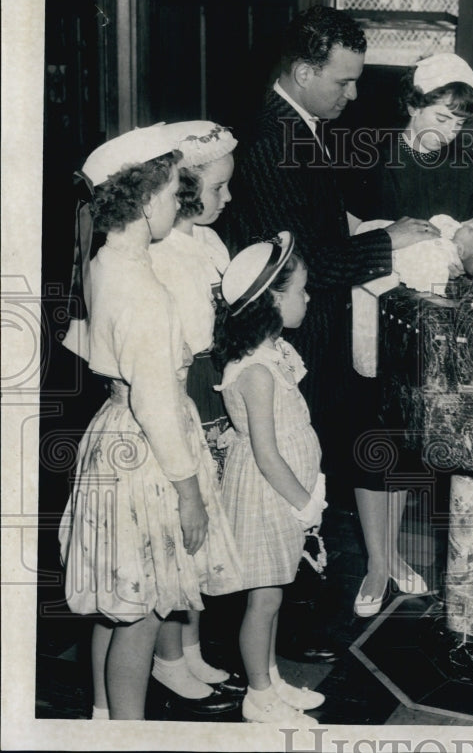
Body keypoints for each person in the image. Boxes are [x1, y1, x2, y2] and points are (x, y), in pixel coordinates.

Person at [219, 6, 436, 659]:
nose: (353, 93)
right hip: (289, 345)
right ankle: (286, 627)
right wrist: (389, 241)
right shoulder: (270, 140)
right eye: (342, 82)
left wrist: (361, 227)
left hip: (313, 334)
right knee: (288, 481)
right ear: (304, 70)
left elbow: (312, 220)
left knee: (315, 470)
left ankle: (302, 607)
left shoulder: (302, 125)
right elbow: (307, 260)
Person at [57, 125, 243, 720]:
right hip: (149, 451)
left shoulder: (110, 260)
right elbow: (158, 403)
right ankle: (132, 731)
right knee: (145, 610)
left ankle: (104, 719)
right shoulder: (143, 287)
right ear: (141, 201)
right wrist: (189, 491)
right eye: (171, 196)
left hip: (114, 436)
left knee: (120, 603)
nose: (178, 206)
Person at [344, 52, 473, 616]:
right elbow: (346, 231)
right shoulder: (374, 154)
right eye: (440, 115)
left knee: (407, 433)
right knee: (370, 433)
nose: (450, 129)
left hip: (427, 312)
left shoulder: (463, 160)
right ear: (411, 104)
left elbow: (471, 240)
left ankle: (396, 556)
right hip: (374, 306)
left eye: (459, 120)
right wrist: (392, 236)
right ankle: (376, 564)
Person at [146, 120, 245, 712]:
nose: (227, 199)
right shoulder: (162, 254)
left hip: (214, 389)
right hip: (185, 395)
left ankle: (192, 646)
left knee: (207, 526)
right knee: (180, 528)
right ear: (183, 191)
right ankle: (166, 657)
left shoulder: (210, 244)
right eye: (217, 189)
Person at [213, 232, 326, 724]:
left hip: (282, 492)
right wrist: (305, 502)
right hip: (268, 493)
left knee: (276, 591)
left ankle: (272, 680)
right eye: (300, 290)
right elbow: (265, 452)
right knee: (263, 599)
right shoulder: (255, 371)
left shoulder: (274, 352)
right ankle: (257, 697)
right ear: (273, 301)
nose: (307, 298)